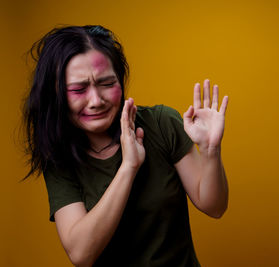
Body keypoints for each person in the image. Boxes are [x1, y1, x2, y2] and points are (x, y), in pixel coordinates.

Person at [23, 25, 229, 267]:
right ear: (55, 94)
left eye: (107, 83)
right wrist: (128, 167)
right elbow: (81, 254)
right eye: (79, 89)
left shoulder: (161, 123)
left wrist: (210, 151)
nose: (96, 101)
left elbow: (214, 206)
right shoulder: (59, 157)